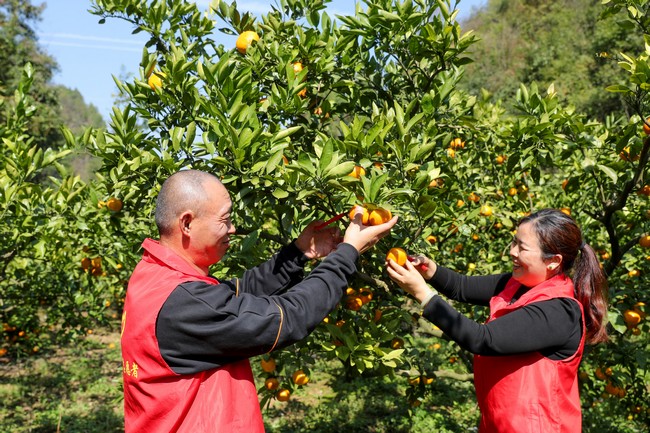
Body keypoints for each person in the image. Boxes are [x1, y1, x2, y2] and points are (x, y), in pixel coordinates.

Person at [121, 169, 397, 433]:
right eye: (225, 219)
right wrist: (346, 254)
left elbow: (239, 294)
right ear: (187, 223)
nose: (232, 228)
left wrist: (299, 253)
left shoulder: (156, 276)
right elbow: (287, 318)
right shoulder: (185, 303)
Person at [386, 208, 608, 433]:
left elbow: (482, 339)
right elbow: (461, 286)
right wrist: (429, 270)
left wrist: (423, 294)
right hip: (500, 423)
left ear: (553, 261)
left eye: (522, 247)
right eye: (514, 242)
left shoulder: (559, 312)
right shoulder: (517, 283)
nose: (512, 252)